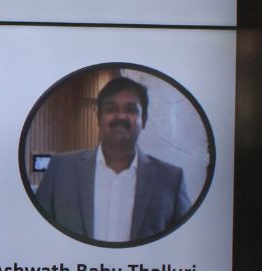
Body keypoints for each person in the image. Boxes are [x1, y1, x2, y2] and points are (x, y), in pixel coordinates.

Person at [33, 76, 193, 244]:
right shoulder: (61, 170)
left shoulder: (170, 180)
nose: (121, 116)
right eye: (111, 109)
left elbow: (184, 241)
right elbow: (36, 231)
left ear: (144, 119)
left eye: (131, 109)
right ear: (99, 118)